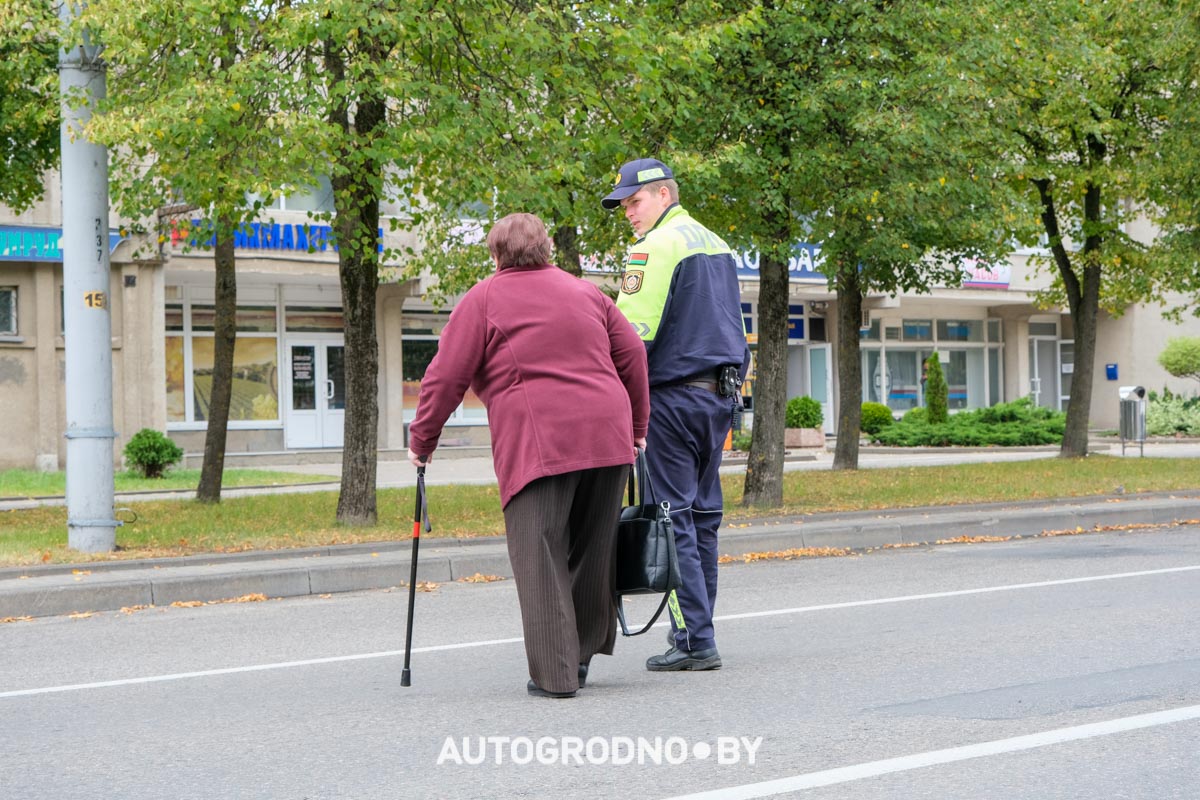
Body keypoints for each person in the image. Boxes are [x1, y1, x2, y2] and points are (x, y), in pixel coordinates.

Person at [407, 212, 649, 698]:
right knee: (590, 549)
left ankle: (556, 676)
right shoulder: (587, 293)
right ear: (546, 251)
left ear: (496, 256)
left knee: (539, 554)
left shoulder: (484, 298)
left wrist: (421, 442)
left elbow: (444, 376)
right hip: (607, 436)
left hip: (540, 444)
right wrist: (638, 429)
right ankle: (577, 657)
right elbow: (634, 355)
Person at [602, 157, 749, 672]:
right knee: (704, 518)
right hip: (719, 398)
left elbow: (630, 338)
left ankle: (692, 639)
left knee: (674, 519)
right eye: (622, 205)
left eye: (634, 201)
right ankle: (701, 631)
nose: (628, 213)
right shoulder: (717, 244)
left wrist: (614, 398)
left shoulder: (653, 248)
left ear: (664, 195)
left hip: (671, 400)